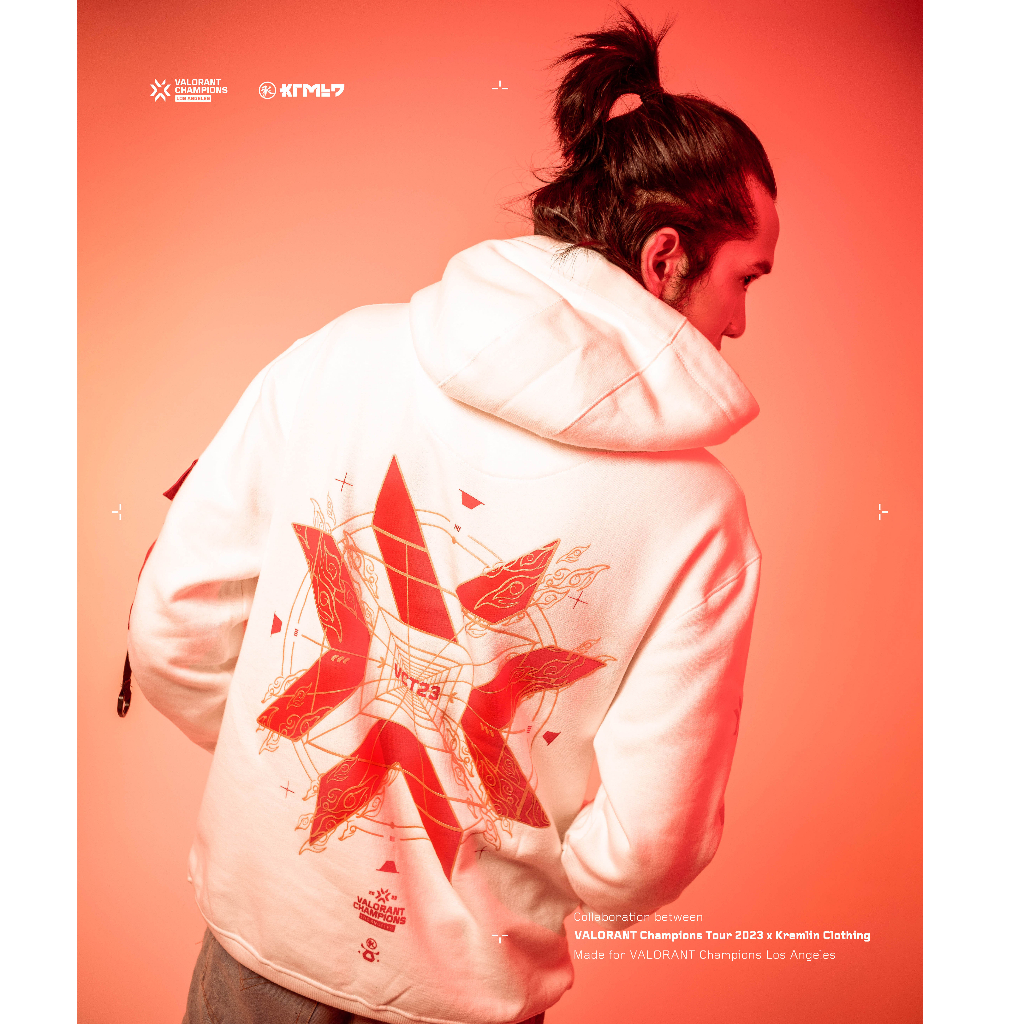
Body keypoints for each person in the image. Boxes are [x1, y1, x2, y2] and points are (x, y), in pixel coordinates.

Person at [126, 7, 779, 1023]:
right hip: (472, 992)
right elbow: (646, 851)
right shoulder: (699, 513)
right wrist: (531, 868)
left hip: (257, 951)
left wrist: (283, 771)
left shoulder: (338, 355)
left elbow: (174, 626)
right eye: (746, 278)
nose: (739, 319)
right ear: (665, 258)